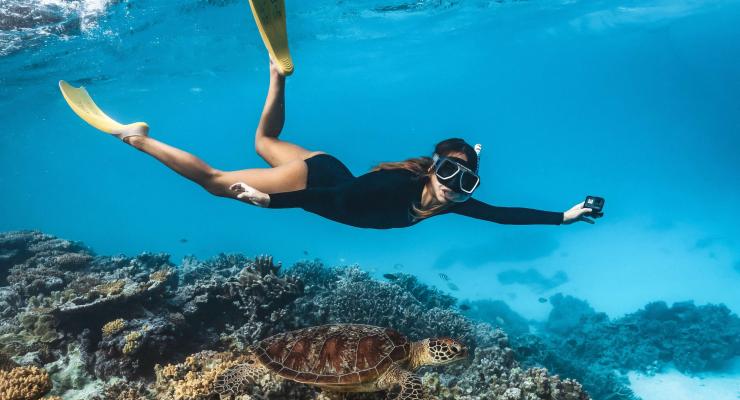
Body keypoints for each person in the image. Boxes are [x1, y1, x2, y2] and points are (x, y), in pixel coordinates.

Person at [61, 59, 599, 229]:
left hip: (332, 170)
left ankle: (278, 75)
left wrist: (564, 217)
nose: (460, 190)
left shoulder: (447, 200)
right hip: (317, 182)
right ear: (431, 171)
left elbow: (504, 215)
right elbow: (336, 202)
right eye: (452, 175)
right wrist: (273, 202)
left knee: (263, 139)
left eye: (469, 180)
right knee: (215, 184)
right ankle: (137, 139)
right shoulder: (394, 188)